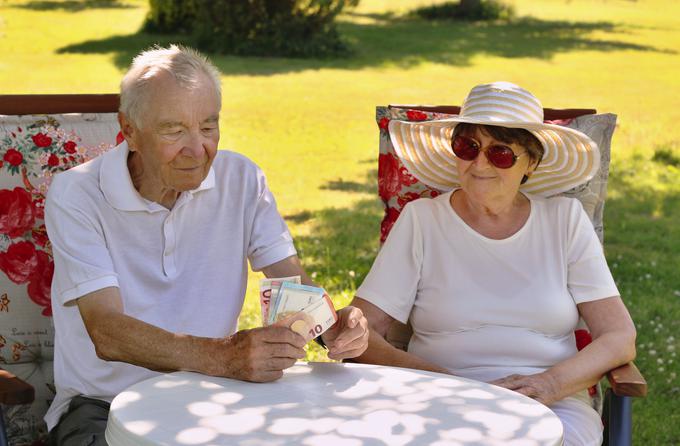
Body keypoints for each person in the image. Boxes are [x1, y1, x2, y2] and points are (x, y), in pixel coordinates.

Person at [44, 45, 368, 445]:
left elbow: (292, 282)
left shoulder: (242, 179)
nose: (197, 150)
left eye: (208, 126)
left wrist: (334, 326)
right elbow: (107, 332)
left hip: (213, 397)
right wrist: (226, 355)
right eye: (174, 130)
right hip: (102, 406)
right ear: (129, 130)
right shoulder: (76, 194)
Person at [351, 82, 636, 445]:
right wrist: (442, 381)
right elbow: (359, 332)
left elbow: (619, 336)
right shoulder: (421, 220)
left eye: (500, 153)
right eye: (468, 147)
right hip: (439, 396)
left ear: (530, 162)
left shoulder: (565, 220)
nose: (480, 163)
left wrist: (549, 384)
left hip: (549, 401)